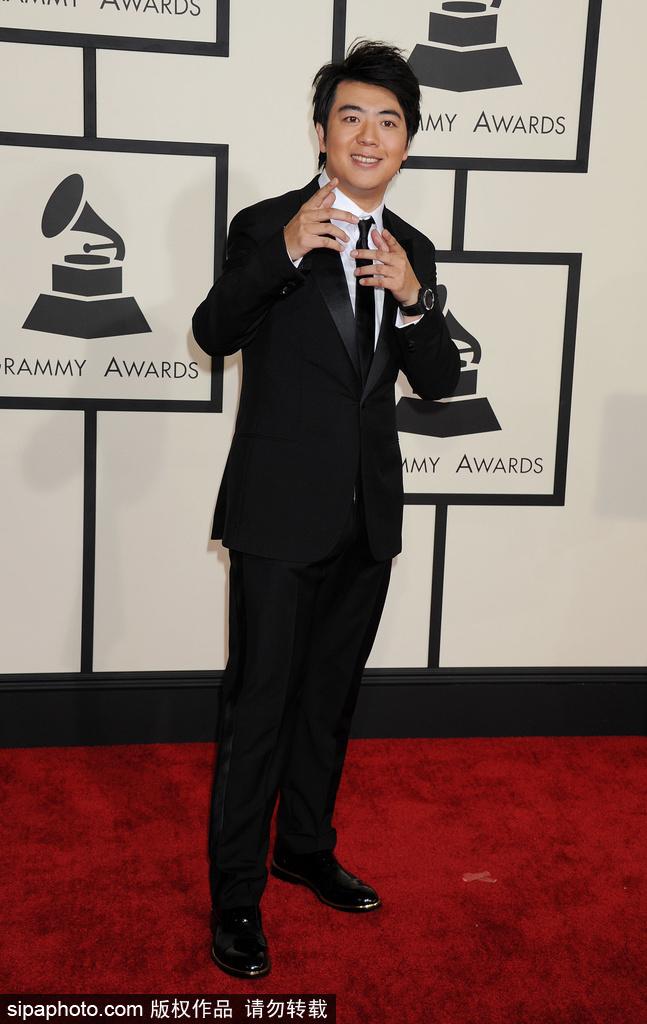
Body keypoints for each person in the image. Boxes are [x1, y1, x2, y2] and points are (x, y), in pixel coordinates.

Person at [192, 39, 461, 978]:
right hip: (275, 512)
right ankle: (236, 896)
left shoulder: (410, 246)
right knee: (259, 703)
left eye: (388, 121)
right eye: (351, 116)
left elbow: (438, 382)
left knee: (328, 701)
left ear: (407, 142)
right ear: (320, 132)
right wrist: (284, 253)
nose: (369, 135)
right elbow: (213, 330)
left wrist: (417, 301)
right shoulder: (266, 225)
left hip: (365, 514)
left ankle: (303, 848)